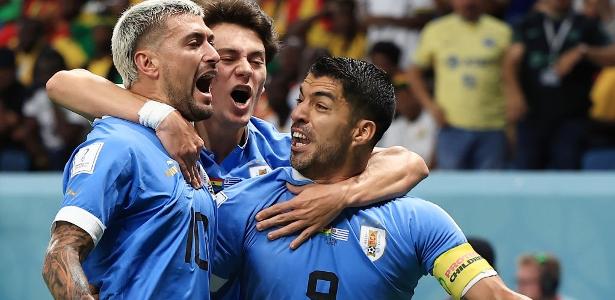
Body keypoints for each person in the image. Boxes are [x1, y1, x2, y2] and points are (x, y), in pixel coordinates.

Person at [46, 0, 429, 250]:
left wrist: (340, 195)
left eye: (257, 60)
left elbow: (408, 163)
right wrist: (159, 116)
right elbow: (64, 84)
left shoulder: (278, 152)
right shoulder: (149, 133)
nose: (245, 69)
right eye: (227, 57)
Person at [213, 56, 530, 300]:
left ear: (362, 131)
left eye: (320, 106)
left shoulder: (417, 222)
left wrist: (342, 195)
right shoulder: (244, 205)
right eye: (301, 101)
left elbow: (493, 295)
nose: (298, 114)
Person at [41, 1, 219, 299]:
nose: (214, 55)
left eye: (210, 42)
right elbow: (59, 255)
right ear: (148, 64)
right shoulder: (119, 145)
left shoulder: (183, 147)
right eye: (194, 43)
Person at [503, 0, 611, 169]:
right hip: (532, 115)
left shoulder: (585, 24)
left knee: (567, 173)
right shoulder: (526, 23)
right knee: (526, 175)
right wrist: (514, 95)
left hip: (572, 116)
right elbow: (510, 61)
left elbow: (612, 54)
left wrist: (585, 51)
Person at [408, 0, 512, 170]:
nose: (469, 3)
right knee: (451, 191)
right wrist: (430, 106)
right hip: (451, 125)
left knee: (491, 192)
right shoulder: (436, 30)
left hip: (493, 125)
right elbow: (413, 72)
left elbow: (510, 76)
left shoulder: (502, 31)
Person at [370, 41, 437, 166]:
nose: (403, 102)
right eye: (399, 97)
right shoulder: (393, 125)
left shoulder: (432, 121)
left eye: (408, 96)